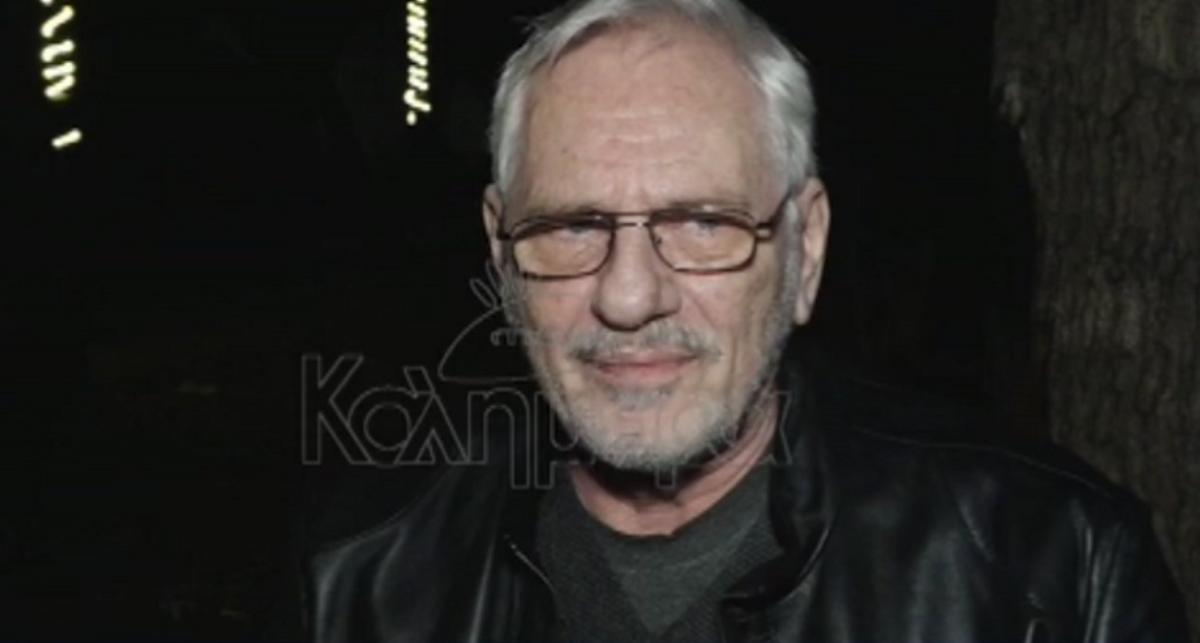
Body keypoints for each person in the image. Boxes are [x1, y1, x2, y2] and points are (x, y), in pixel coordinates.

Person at [308, 1, 1189, 640]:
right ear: (502, 256)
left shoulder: (1050, 571)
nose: (628, 297)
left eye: (704, 224)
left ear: (806, 249)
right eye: (572, 226)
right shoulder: (362, 577)